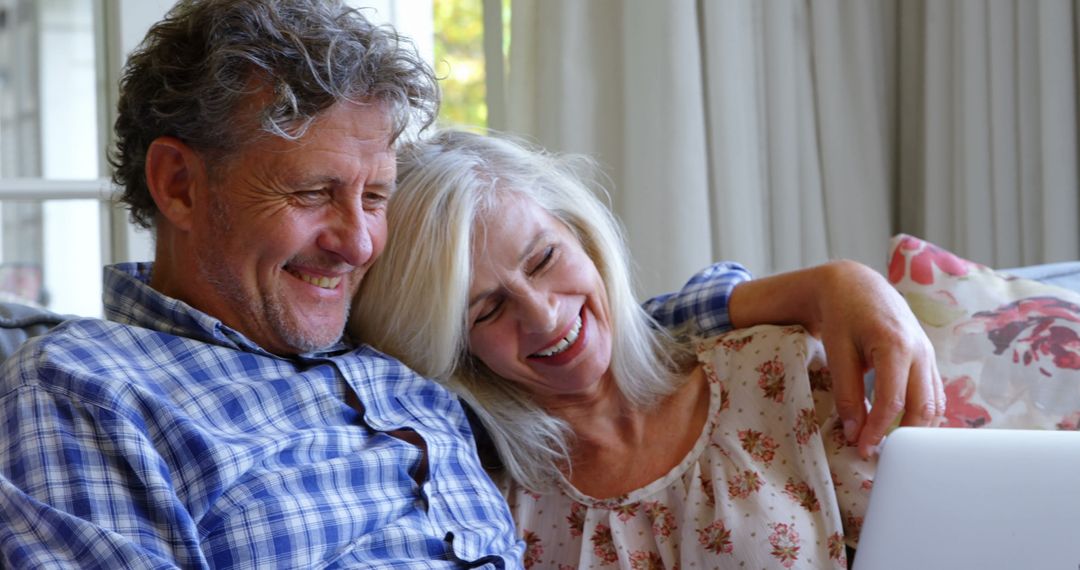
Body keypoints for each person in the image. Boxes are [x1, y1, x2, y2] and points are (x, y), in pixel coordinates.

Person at [0, 2, 824, 567]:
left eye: (377, 195)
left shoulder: (377, 347)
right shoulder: (81, 393)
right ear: (179, 185)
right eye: (313, 193)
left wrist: (816, 291)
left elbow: (573, 333)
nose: (357, 242)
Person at [350, 129, 944, 567]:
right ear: (454, 349)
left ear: (585, 238)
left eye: (545, 259)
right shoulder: (487, 502)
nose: (544, 315)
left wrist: (837, 281)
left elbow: (938, 541)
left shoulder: (777, 372)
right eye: (488, 309)